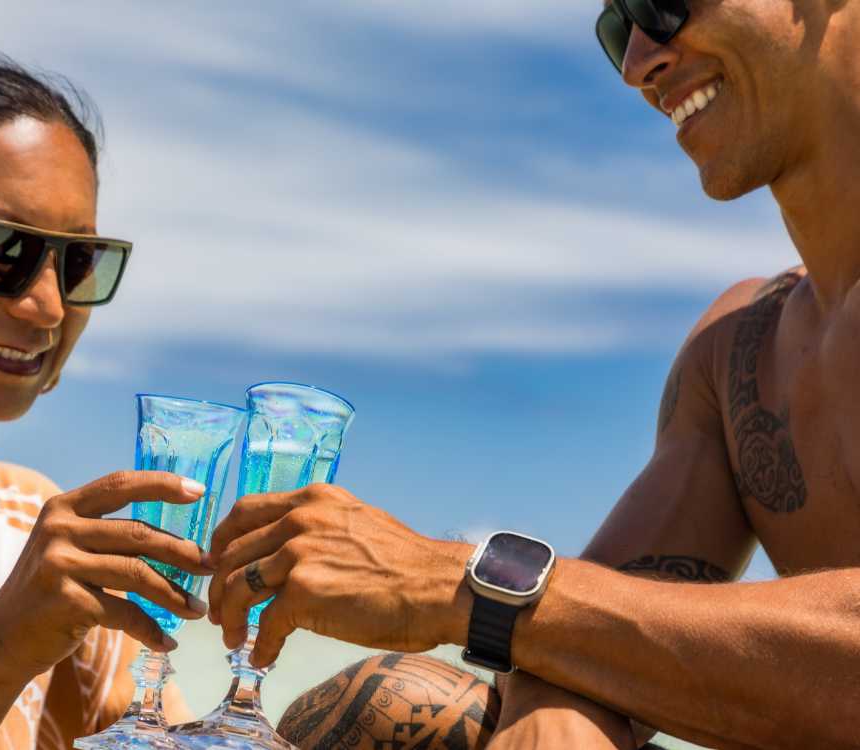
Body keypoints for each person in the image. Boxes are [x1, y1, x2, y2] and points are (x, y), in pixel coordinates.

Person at [206, 1, 860, 747]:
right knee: (387, 708)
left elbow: (564, 617)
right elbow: (604, 620)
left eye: (661, 4)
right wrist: (556, 725)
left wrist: (454, 584)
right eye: (620, 28)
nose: (636, 63)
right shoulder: (739, 348)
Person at [0, 55, 211, 749]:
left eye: (77, 261)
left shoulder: (31, 536)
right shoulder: (36, 584)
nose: (48, 306)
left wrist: (472, 621)